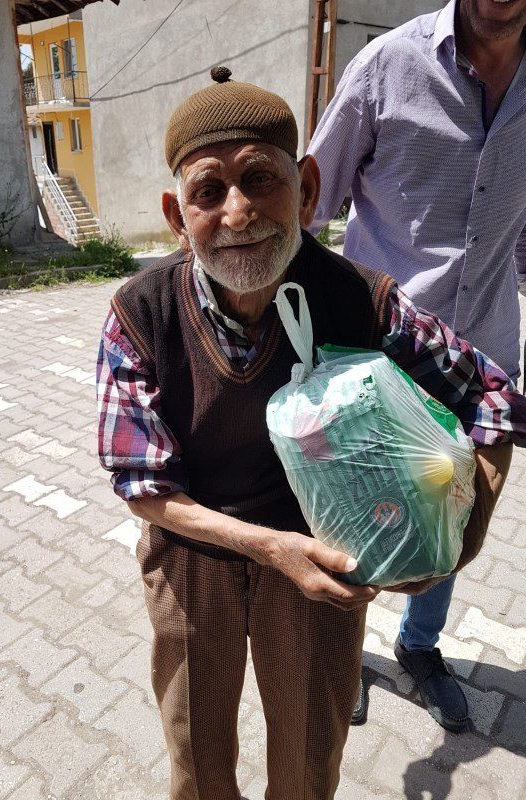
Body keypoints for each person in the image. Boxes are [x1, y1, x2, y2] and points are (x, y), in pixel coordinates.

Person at [96, 67, 524, 800]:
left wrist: (461, 535)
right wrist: (268, 547)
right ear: (175, 215)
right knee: (197, 763)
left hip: (324, 564)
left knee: (308, 760)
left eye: (260, 180)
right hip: (193, 557)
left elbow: (494, 399)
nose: (237, 214)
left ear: (307, 188)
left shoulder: (360, 298)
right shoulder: (140, 312)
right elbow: (142, 485)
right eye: (208, 192)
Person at [307, 0, 526, 731]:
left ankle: (419, 645)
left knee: (450, 515)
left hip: (482, 364)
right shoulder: (386, 68)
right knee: (353, 514)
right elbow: (307, 202)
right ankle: (342, 652)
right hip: (378, 362)